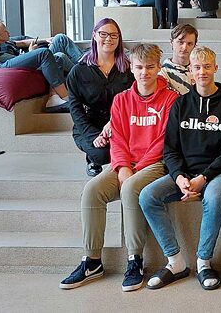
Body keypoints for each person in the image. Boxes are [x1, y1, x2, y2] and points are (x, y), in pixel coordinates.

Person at [60, 44, 178, 292]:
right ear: (131, 68)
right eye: (139, 67)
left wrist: (136, 169)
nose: (144, 72)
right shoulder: (121, 100)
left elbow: (165, 141)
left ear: (159, 67)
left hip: (156, 164)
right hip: (127, 164)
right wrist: (123, 166)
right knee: (93, 190)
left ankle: (135, 260)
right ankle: (92, 261)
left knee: (131, 187)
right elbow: (118, 139)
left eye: (150, 67)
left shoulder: (171, 99)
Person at [139, 46, 221, 291]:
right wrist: (179, 177)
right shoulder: (181, 104)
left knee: (214, 198)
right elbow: (170, 149)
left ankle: (204, 262)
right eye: (197, 67)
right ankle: (175, 261)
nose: (202, 72)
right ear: (191, 72)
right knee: (147, 196)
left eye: (207, 67)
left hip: (217, 173)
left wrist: (203, 178)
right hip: (184, 174)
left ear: (216, 68)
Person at [66, 18, 134, 177]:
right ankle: (91, 159)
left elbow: (133, 101)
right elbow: (75, 109)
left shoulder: (128, 69)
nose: (109, 39)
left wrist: (113, 125)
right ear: (94, 35)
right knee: (102, 154)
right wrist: (94, 135)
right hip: (91, 124)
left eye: (114, 35)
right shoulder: (79, 71)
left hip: (120, 122)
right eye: (103, 34)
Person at [0, 19, 82, 71]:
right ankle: (84, 74)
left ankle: (86, 64)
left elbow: (23, 42)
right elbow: (18, 62)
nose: (9, 33)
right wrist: (31, 53)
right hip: (37, 63)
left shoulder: (7, 42)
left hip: (38, 57)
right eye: (5, 31)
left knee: (60, 38)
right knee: (60, 56)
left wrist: (45, 39)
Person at [160, 24, 197, 95]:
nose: (184, 47)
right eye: (180, 42)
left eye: (189, 44)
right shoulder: (162, 73)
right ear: (171, 42)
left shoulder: (199, 70)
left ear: (194, 46)